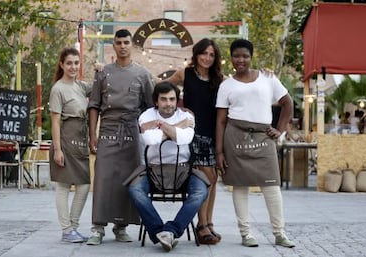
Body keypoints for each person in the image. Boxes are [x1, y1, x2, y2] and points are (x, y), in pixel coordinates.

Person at [215, 39, 296, 248]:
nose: (240, 60)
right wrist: (219, 152)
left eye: (245, 56)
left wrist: (279, 129)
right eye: (236, 56)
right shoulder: (226, 85)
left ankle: (279, 233)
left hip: (263, 138)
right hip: (235, 138)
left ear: (251, 57)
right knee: (240, 186)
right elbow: (221, 121)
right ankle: (245, 233)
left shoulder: (268, 78)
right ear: (230, 58)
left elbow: (288, 103)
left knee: (271, 186)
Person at [86, 29, 155, 245]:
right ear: (114, 46)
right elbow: (93, 105)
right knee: (103, 178)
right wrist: (92, 135)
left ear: (132, 45)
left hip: (132, 131)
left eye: (126, 42)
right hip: (107, 129)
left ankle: (121, 226)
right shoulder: (103, 73)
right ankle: (98, 227)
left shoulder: (143, 74)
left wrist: (149, 134)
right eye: (118, 42)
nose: (123, 46)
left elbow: (150, 107)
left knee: (128, 178)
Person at [127, 81, 209, 252]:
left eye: (172, 99)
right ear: (156, 101)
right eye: (163, 99)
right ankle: (159, 230)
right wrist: (175, 128)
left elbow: (184, 139)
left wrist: (159, 128)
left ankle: (171, 230)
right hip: (152, 170)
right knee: (135, 190)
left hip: (183, 170)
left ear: (177, 100)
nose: (168, 103)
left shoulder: (187, 116)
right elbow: (151, 140)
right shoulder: (147, 115)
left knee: (201, 191)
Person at [164, 38, 223, 244]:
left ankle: (209, 222)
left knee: (213, 180)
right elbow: (163, 88)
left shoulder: (219, 79)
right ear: (196, 54)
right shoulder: (185, 74)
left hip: (213, 134)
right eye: (204, 53)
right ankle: (202, 226)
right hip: (193, 134)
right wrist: (177, 111)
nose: (207, 58)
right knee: (204, 180)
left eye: (211, 55)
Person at [48, 47, 91, 243]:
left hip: (80, 141)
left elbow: (99, 88)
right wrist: (58, 150)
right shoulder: (58, 89)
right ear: (61, 65)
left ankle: (72, 227)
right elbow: (55, 121)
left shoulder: (80, 86)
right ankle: (67, 230)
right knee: (64, 186)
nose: (73, 67)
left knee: (83, 184)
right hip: (65, 141)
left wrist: (100, 70)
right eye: (69, 63)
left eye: (76, 62)